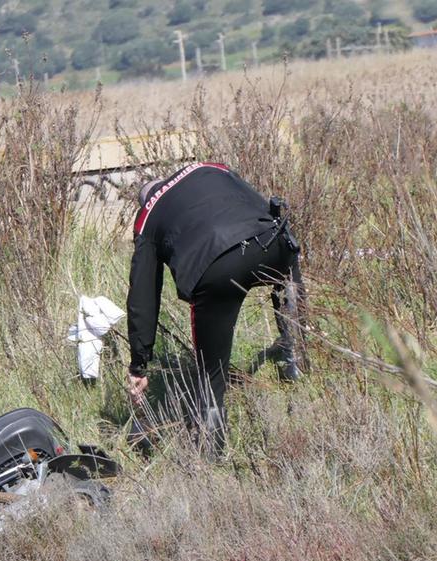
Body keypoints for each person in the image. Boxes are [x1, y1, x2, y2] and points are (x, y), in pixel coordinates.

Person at [126, 161, 309, 457]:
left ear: (147, 199)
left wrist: (139, 363)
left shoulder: (148, 214)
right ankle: (297, 359)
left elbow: (143, 294)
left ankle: (211, 456)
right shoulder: (208, 167)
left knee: (211, 374)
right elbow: (258, 203)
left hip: (215, 269)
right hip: (271, 241)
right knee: (286, 271)